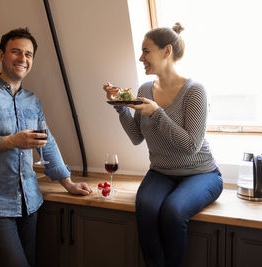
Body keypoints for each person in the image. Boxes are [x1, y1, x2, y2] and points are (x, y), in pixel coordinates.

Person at [0, 27, 92, 267]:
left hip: (30, 202)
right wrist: (9, 142)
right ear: (1, 55)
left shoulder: (32, 100)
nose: (22, 59)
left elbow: (47, 142)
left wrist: (67, 182)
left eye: (28, 54)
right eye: (16, 52)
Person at [103, 23, 223, 267]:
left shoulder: (195, 91)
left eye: (146, 51)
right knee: (145, 208)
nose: (141, 58)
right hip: (161, 172)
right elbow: (137, 136)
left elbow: (190, 145)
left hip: (201, 174)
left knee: (173, 211)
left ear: (166, 51)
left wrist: (157, 112)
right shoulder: (145, 89)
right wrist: (119, 106)